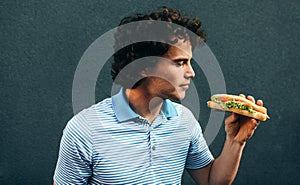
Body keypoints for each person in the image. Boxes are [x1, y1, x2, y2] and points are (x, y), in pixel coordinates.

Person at [53, 7, 262, 185]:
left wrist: (235, 141)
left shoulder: (185, 121)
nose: (191, 72)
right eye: (180, 63)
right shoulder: (84, 129)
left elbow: (210, 180)